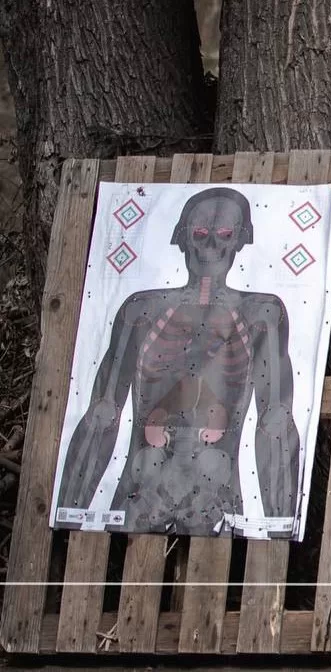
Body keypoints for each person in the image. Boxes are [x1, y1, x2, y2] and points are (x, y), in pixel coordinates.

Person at [56, 187, 301, 536]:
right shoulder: (141, 310)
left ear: (241, 239)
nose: (211, 247)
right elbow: (104, 410)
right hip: (142, 488)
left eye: (225, 235)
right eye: (200, 234)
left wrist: (280, 527)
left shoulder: (262, 313)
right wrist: (69, 514)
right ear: (182, 238)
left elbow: (275, 418)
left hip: (215, 496)